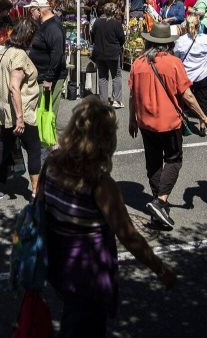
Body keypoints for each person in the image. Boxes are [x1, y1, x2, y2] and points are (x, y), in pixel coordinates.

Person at [42, 97, 177, 336]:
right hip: (88, 271)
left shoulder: (51, 164)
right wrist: (160, 268)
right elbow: (128, 235)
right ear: (105, 140)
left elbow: (39, 208)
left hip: (57, 261)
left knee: (72, 313)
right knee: (83, 325)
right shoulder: (100, 184)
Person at [128, 23, 207, 230]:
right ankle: (160, 202)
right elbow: (187, 95)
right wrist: (203, 116)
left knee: (154, 163)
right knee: (174, 159)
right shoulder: (173, 63)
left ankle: (159, 208)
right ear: (168, 44)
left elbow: (133, 96)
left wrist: (132, 119)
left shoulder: (138, 63)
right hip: (169, 122)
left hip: (146, 122)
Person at [0, 18, 41, 200]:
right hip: (21, 112)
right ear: (28, 36)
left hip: (5, 111)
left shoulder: (4, 52)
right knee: (34, 149)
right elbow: (14, 86)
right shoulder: (19, 55)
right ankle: (36, 192)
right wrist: (20, 117)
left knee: (3, 147)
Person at [26, 0, 67, 107]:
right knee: (42, 112)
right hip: (43, 76)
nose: (31, 13)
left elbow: (57, 53)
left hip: (49, 78)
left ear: (39, 11)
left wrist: (49, 78)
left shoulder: (52, 26)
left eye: (32, 10)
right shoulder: (45, 24)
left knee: (47, 114)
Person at [174, 13, 207, 115]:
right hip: (203, 75)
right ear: (199, 25)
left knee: (182, 103)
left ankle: (183, 124)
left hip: (186, 76)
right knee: (203, 102)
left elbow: (176, 58)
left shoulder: (180, 41)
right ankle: (203, 125)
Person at [90, 2, 126, 108]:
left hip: (100, 53)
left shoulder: (97, 22)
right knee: (116, 76)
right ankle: (117, 101)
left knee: (103, 77)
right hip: (113, 53)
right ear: (114, 12)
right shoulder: (116, 23)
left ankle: (103, 102)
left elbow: (92, 35)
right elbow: (122, 39)